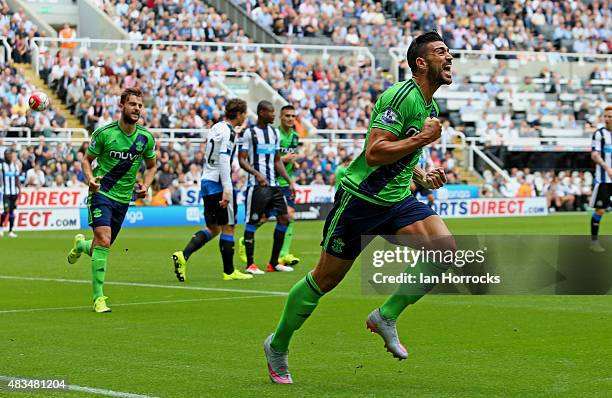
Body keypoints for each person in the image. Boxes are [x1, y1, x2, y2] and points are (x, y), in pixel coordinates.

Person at [263, 31, 454, 384]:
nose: (450, 57)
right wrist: (423, 138)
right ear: (421, 63)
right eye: (441, 52)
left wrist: (423, 175)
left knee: (444, 251)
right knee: (325, 280)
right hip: (360, 203)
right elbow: (375, 152)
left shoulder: (430, 105)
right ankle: (278, 344)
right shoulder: (401, 97)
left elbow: (404, 153)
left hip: (397, 201)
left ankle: (386, 315)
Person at [65, 88, 157, 313]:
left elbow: (152, 166)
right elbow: (87, 160)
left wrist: (146, 185)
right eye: (132, 104)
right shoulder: (104, 133)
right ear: (122, 105)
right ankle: (99, 298)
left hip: (124, 199)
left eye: (139, 105)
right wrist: (90, 180)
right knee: (104, 241)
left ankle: (81, 245)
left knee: (100, 245)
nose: (136, 109)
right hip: (101, 193)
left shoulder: (145, 137)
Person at [172, 99, 253, 281]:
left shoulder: (216, 127)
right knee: (229, 227)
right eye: (244, 114)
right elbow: (224, 159)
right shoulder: (230, 133)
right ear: (239, 114)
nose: (244, 117)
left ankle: (183, 255)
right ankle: (229, 272)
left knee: (213, 228)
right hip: (218, 182)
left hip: (206, 180)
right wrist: (227, 188)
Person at [239, 105, 301, 267]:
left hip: (276, 185)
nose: (273, 115)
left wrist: (290, 180)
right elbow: (242, 158)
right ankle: (250, 260)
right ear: (261, 113)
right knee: (257, 220)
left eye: (293, 116)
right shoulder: (250, 133)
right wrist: (257, 174)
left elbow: (276, 159)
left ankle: (276, 260)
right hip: (258, 185)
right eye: (271, 112)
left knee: (285, 218)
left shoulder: (277, 134)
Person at [589, 105, 612, 253]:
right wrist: (607, 168)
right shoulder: (600, 134)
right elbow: (594, 155)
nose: (607, 119)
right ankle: (594, 242)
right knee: (600, 210)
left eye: (610, 116)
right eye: (606, 116)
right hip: (604, 179)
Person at [1, 150, 21, 238]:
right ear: (5, 156)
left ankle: (10, 231)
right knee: (6, 211)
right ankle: (1, 227)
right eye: (8, 155)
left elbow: (17, 179)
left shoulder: (14, 166)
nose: (9, 157)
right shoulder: (1, 166)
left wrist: (19, 190)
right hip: (5, 192)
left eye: (10, 155)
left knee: (12, 212)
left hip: (14, 192)